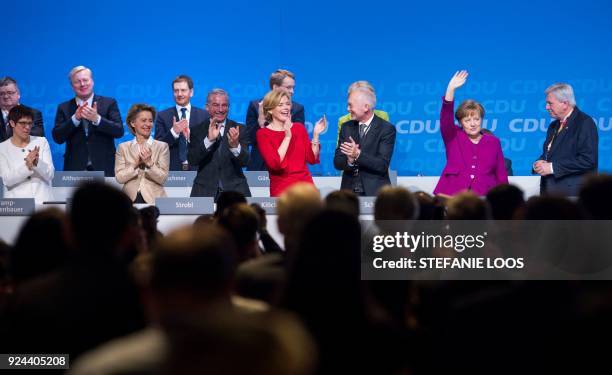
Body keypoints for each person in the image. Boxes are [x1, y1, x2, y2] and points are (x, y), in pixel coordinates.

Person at [433, 71, 508, 196]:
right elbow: (445, 117)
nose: (473, 124)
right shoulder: (453, 136)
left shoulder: (493, 142)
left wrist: (505, 198)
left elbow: (501, 174)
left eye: (476, 119)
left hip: (483, 195)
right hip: (453, 195)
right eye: (467, 120)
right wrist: (450, 89)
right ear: (461, 122)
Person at [52, 66, 124, 176]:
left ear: (92, 81)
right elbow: (58, 137)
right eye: (77, 82)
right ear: (72, 86)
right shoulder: (64, 107)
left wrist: (97, 119)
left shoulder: (109, 103)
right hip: (75, 168)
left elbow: (119, 131)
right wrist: (75, 119)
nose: (82, 84)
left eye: (85, 80)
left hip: (105, 167)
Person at [256, 89, 325, 197]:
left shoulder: (299, 128)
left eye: (288, 104)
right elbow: (275, 164)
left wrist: (316, 134)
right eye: (280, 105)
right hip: (282, 190)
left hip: (306, 188)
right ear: (270, 110)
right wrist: (287, 137)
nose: (286, 108)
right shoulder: (263, 134)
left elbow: (311, 158)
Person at [533, 83, 598, 196]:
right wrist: (538, 164)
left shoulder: (584, 123)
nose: (546, 107)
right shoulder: (553, 126)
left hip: (573, 193)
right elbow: (549, 154)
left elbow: (588, 160)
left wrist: (552, 167)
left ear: (565, 103)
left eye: (550, 103)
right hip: (550, 192)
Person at [334, 86, 396, 196]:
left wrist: (357, 154)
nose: (348, 109)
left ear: (366, 107)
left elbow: (382, 165)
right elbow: (337, 162)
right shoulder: (346, 127)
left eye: (350, 105)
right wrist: (349, 160)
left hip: (376, 193)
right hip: (348, 193)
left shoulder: (386, 129)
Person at [188, 89, 250, 199]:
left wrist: (235, 147)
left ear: (229, 107)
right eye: (216, 105)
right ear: (207, 107)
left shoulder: (240, 129)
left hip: (236, 192)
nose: (220, 109)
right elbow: (193, 160)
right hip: (204, 192)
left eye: (224, 105)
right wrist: (208, 140)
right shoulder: (196, 130)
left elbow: (245, 162)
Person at [246, 69, 305, 171]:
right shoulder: (256, 106)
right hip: (260, 165)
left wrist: (287, 124)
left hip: (287, 165)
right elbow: (250, 139)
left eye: (293, 87)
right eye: (288, 87)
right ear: (275, 87)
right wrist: (260, 122)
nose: (292, 91)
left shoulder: (297, 109)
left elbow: (298, 141)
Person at [115, 104, 169, 204]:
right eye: (144, 120)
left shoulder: (162, 147)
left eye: (150, 120)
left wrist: (149, 163)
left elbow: (163, 178)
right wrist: (135, 164)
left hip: (154, 199)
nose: (148, 124)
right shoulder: (123, 147)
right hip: (128, 200)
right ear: (132, 123)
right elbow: (119, 177)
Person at [0, 105, 54, 203]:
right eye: (23, 123)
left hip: (42, 203)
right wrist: (27, 167)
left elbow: (50, 174)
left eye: (30, 123)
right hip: (17, 206)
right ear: (12, 123)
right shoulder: (2, 148)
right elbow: (6, 180)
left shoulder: (41, 142)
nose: (27, 127)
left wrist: (37, 163)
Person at [154, 75, 209, 171]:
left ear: (191, 92)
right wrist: (173, 132)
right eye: (176, 90)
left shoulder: (204, 115)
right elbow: (158, 147)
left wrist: (190, 138)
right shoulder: (162, 116)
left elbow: (209, 144)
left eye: (183, 90)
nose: (179, 94)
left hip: (199, 170)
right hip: (171, 170)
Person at [0, 77, 44, 142]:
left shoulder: (33, 113)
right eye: (1, 94)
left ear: (18, 94)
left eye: (10, 93)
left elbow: (37, 136)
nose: (6, 96)